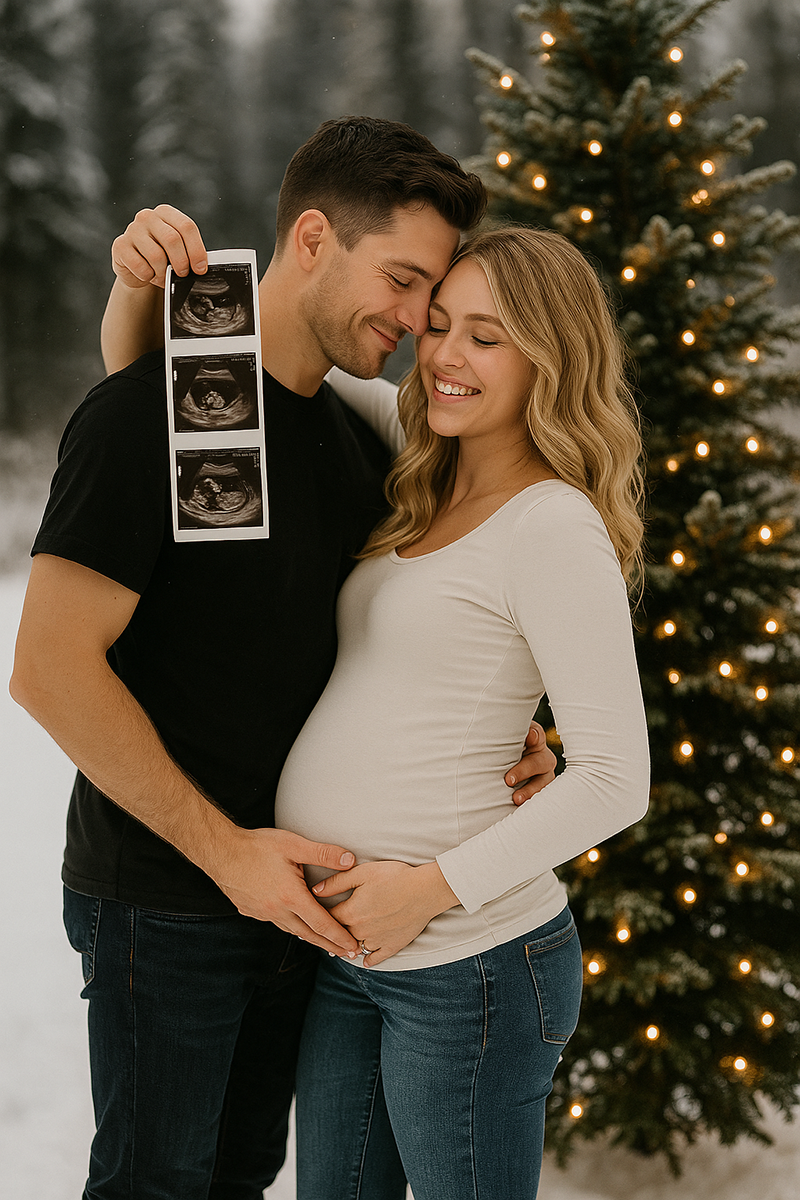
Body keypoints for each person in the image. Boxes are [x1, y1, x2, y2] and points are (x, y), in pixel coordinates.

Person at [9, 117, 554, 1200]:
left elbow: (364, 631)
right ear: (312, 237)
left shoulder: (359, 444)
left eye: (433, 301)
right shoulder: (144, 414)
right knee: (156, 1183)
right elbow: (50, 671)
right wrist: (227, 856)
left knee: (242, 1176)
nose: (413, 324)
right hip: (166, 895)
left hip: (302, 902)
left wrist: (510, 729)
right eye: (400, 281)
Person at [273, 227, 651, 1198]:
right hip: (351, 951)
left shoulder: (552, 522)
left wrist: (427, 890)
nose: (442, 355)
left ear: (547, 356)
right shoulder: (423, 462)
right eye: (438, 324)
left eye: (485, 337)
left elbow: (615, 780)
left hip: (469, 971)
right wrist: (152, 269)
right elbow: (270, 350)